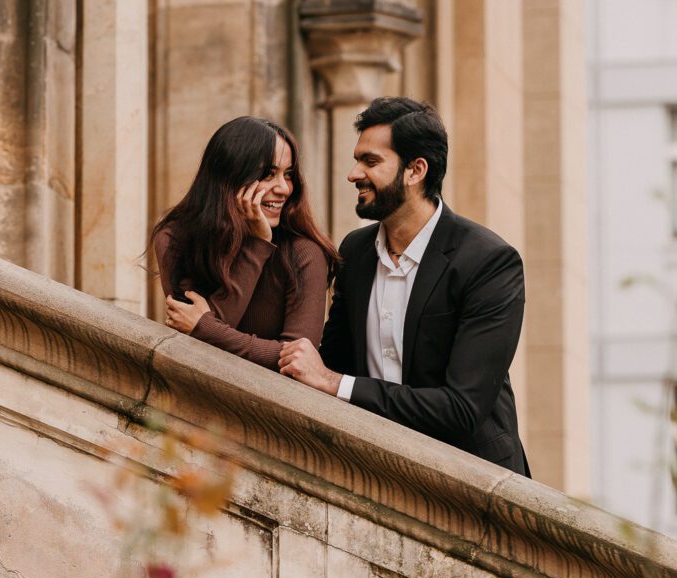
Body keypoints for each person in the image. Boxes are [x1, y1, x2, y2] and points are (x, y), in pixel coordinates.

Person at [278, 97, 530, 476]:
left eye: (371, 161)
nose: (353, 174)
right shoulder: (356, 252)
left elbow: (461, 409)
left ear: (415, 171)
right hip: (373, 472)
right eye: (357, 159)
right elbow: (329, 361)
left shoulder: (489, 262)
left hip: (474, 482)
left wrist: (335, 383)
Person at [151, 116, 338, 371]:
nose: (283, 188)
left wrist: (206, 327)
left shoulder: (304, 254)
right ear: (229, 176)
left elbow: (300, 363)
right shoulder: (175, 239)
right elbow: (193, 346)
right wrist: (257, 245)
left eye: (289, 174)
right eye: (268, 174)